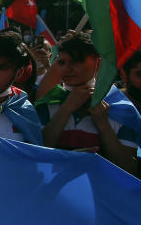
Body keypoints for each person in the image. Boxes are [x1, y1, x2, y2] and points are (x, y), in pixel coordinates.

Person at [36, 32, 139, 173]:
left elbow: (130, 170)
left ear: (98, 63)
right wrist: (66, 109)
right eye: (61, 62)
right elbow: (35, 155)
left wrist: (103, 124)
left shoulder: (122, 109)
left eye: (76, 61)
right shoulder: (49, 102)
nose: (67, 69)